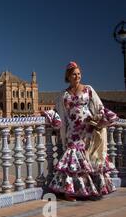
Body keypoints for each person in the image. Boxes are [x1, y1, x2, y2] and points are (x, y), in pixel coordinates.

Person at [44, 62, 118, 201]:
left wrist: (102, 120)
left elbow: (98, 106)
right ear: (68, 76)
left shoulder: (88, 89)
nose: (77, 76)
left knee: (88, 158)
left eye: (79, 73)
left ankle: (90, 189)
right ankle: (69, 191)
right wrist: (48, 115)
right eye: (74, 74)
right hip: (73, 129)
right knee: (73, 157)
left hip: (87, 127)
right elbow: (59, 111)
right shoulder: (63, 94)